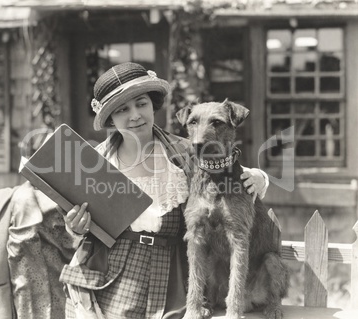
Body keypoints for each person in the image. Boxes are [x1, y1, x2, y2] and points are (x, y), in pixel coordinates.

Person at [59, 62, 269, 319]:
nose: (135, 115)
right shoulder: (94, 163)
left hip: (170, 277)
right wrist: (75, 227)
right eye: (123, 109)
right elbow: (77, 225)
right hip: (106, 277)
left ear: (153, 105)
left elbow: (229, 172)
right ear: (111, 118)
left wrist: (260, 177)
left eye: (141, 103)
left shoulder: (187, 151)